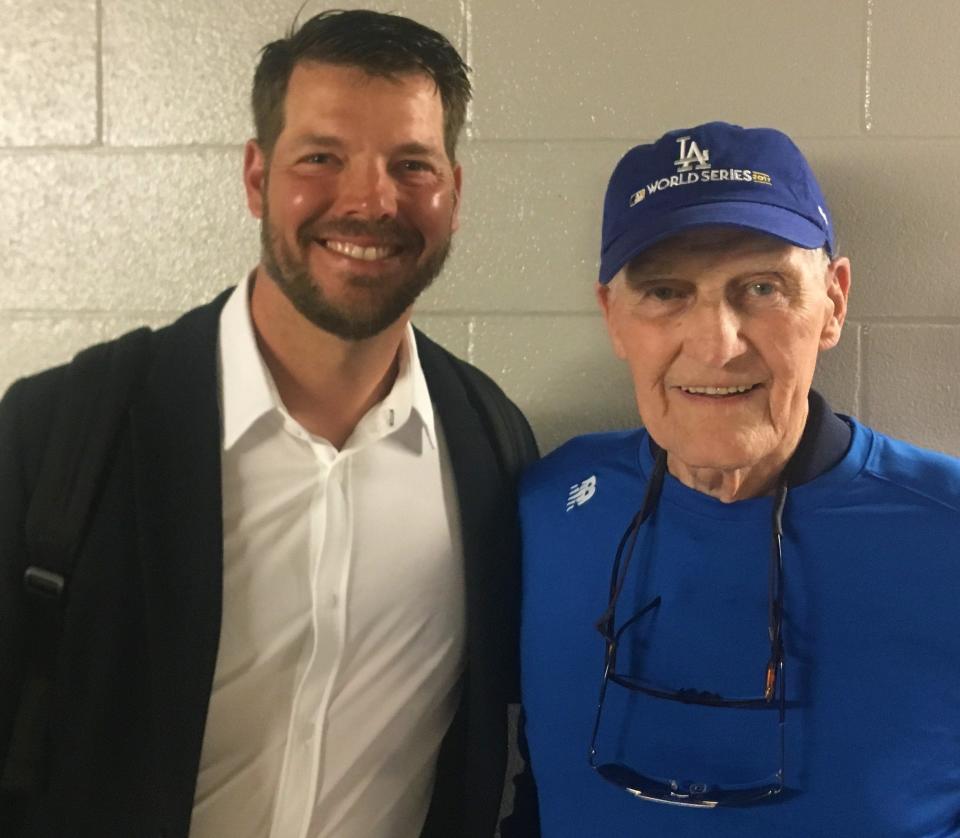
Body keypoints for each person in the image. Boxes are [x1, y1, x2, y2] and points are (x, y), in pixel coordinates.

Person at [0, 10, 538, 838]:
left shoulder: (491, 448)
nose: (369, 199)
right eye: (321, 157)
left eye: (411, 164)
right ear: (257, 178)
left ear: (454, 195)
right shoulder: (58, 433)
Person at [516, 121, 960, 835]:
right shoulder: (547, 505)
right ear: (614, 318)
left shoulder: (947, 529)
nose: (718, 346)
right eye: (665, 292)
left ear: (833, 303)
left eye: (761, 286)